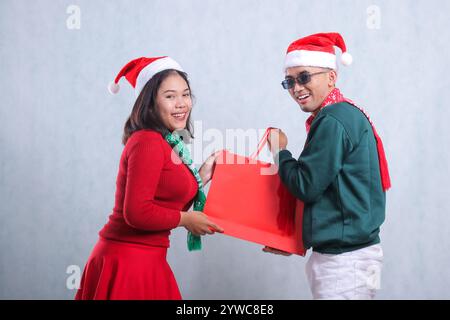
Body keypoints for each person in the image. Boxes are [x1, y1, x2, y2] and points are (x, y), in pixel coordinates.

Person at [75, 56, 223, 300]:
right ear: (150, 104)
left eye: (185, 94)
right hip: (127, 263)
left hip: (147, 260)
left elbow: (163, 202)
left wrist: (204, 174)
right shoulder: (148, 142)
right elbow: (137, 212)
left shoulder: (163, 142)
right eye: (170, 96)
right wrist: (186, 219)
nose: (181, 104)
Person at [264, 33, 391, 300]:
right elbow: (332, 195)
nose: (296, 88)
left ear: (331, 77)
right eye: (289, 81)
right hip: (346, 256)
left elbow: (306, 185)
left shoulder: (333, 120)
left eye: (304, 77)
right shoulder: (341, 114)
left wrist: (280, 151)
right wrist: (296, 238)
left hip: (345, 261)